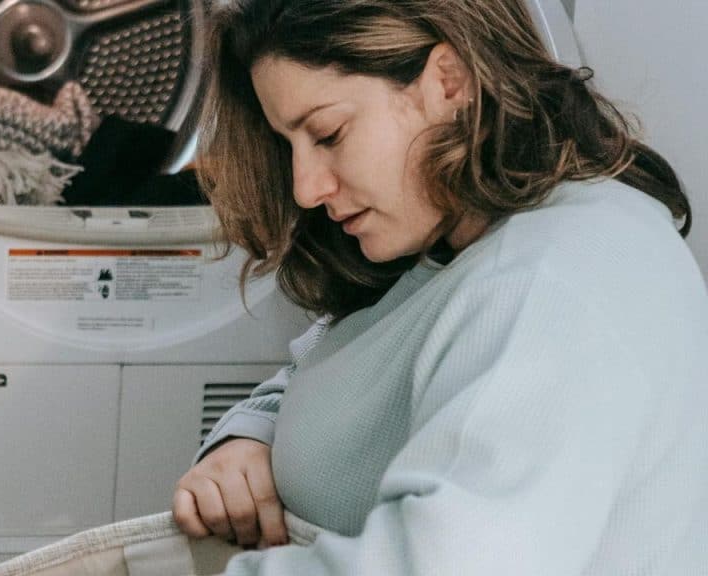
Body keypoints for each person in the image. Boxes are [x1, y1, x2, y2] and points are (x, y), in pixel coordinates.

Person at [171, 0, 708, 574]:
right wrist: (249, 438)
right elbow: (348, 364)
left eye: (328, 134)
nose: (306, 187)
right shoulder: (450, 246)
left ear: (449, 82)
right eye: (288, 145)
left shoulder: (552, 275)